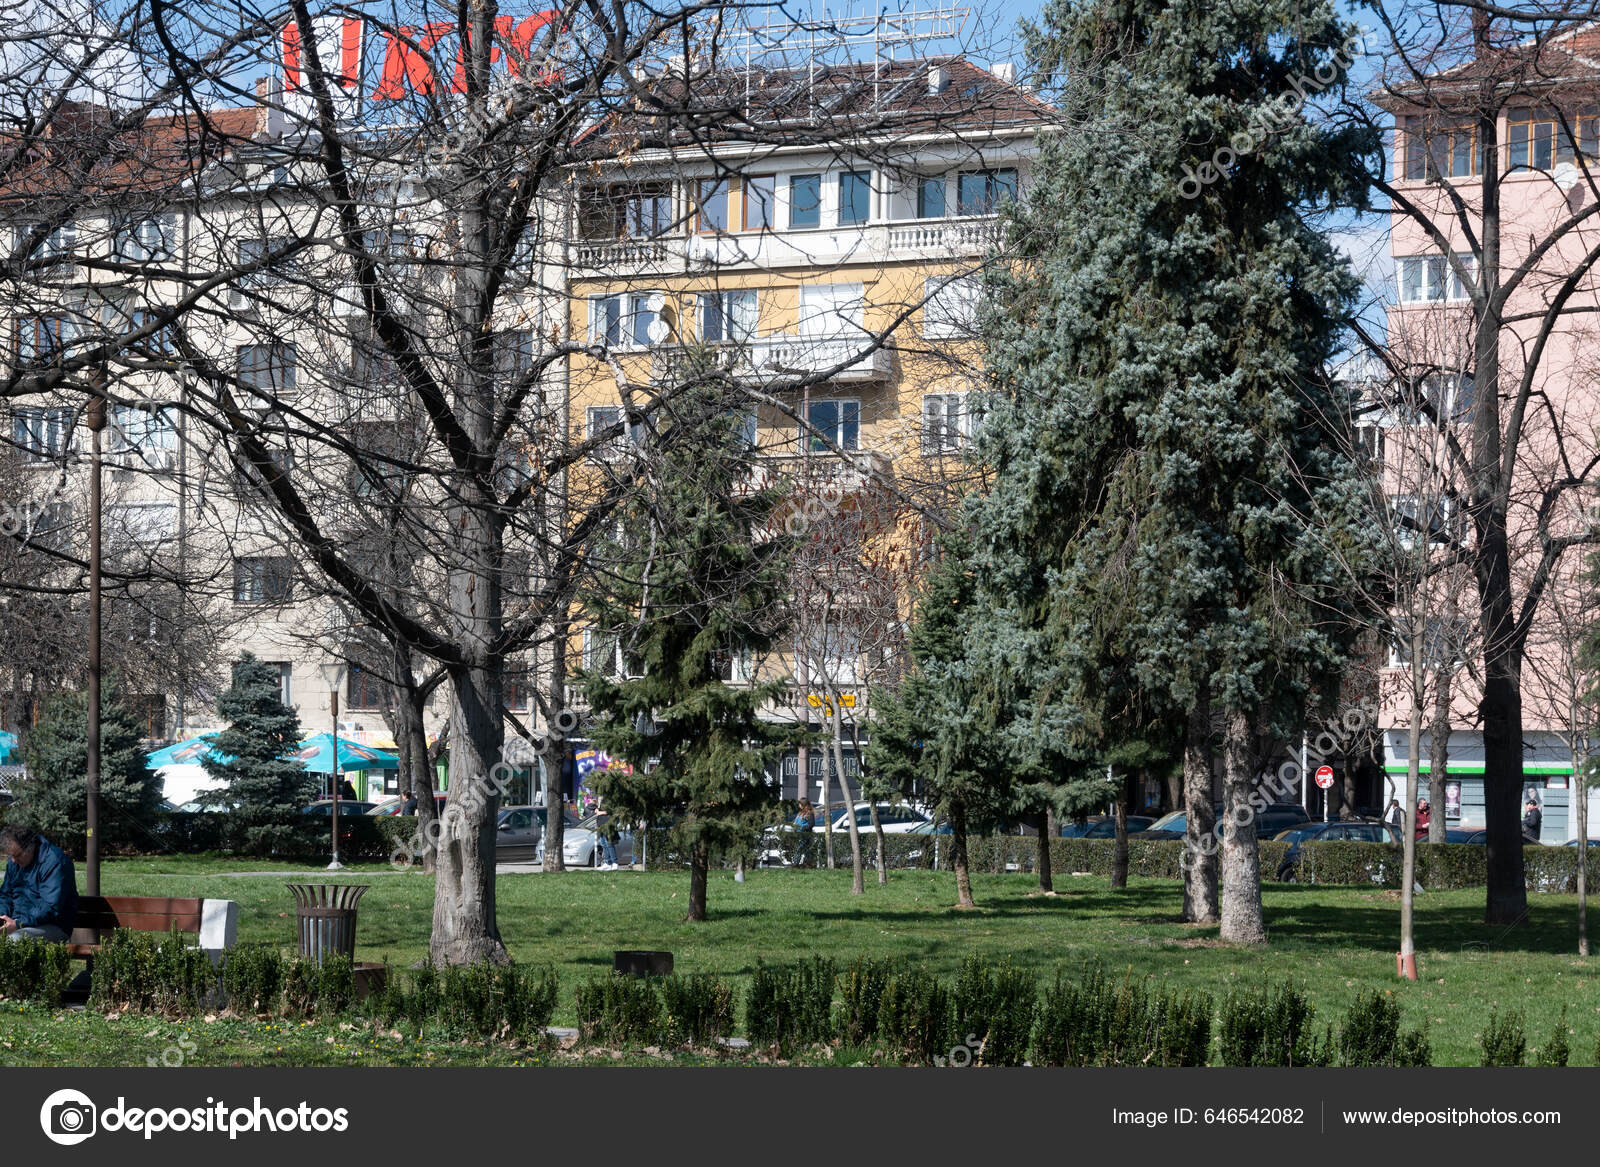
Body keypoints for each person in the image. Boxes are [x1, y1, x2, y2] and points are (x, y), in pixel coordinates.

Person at [0, 825, 77, 942]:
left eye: (17, 855)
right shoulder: (15, 862)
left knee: (14, 940)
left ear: (30, 848)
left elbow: (50, 908)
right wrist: (2, 918)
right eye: (11, 856)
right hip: (19, 922)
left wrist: (18, 923)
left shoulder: (55, 861)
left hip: (53, 925)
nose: (13, 860)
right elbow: (5, 895)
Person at [593, 798, 619, 870]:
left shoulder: (609, 799)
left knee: (609, 844)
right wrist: (597, 810)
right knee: (603, 844)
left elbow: (611, 811)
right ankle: (608, 862)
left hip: (608, 825)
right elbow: (598, 811)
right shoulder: (601, 801)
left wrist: (600, 812)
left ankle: (614, 862)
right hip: (600, 825)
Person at [793, 798, 816, 867]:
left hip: (804, 835)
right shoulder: (800, 813)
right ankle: (810, 863)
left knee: (799, 849)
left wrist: (802, 828)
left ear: (803, 804)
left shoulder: (810, 813)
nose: (799, 805)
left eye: (800, 804)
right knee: (806, 850)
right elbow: (796, 822)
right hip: (798, 834)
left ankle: (795, 864)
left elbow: (811, 824)